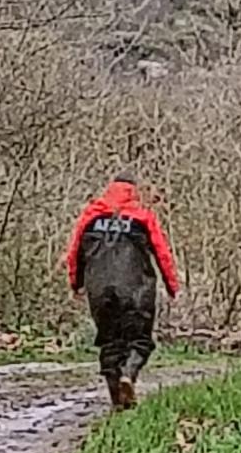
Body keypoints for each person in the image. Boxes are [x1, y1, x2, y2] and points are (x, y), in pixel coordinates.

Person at [65, 173, 179, 410]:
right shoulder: (142, 216)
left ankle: (117, 398)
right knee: (139, 339)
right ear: (133, 191)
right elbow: (162, 253)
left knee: (110, 342)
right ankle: (128, 374)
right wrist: (171, 285)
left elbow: (75, 252)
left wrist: (76, 283)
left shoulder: (91, 214)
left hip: (99, 289)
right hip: (136, 287)